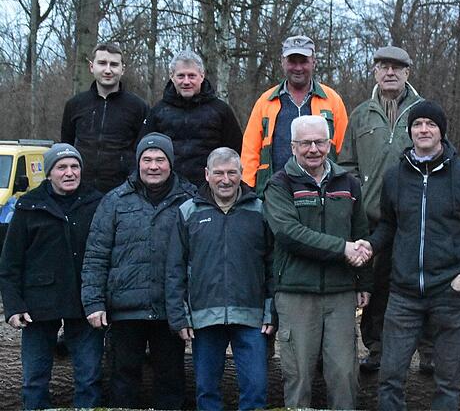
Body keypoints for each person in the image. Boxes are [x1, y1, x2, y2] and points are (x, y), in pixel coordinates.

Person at [361, 101, 460, 410]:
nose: (423, 130)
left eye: (430, 125)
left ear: (441, 132)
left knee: (447, 383)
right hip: (403, 295)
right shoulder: (395, 176)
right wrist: (369, 246)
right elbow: (389, 226)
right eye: (417, 124)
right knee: (390, 377)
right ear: (410, 131)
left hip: (450, 293)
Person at [81, 132, 196, 409]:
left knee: (171, 380)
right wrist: (93, 302)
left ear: (171, 163)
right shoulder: (115, 200)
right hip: (124, 310)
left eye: (160, 159)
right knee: (122, 379)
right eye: (147, 159)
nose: (153, 166)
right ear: (138, 162)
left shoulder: (190, 199)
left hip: (170, 310)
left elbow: (198, 258)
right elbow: (96, 254)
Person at [338, 45, 434, 374]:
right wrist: (358, 196)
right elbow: (346, 163)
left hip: (415, 217)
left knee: (419, 283)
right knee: (375, 285)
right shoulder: (361, 114)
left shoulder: (424, 112)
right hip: (373, 220)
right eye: (383, 67)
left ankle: (428, 350)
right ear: (375, 72)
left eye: (397, 67)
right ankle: (376, 348)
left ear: (408, 72)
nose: (390, 72)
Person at [263, 115, 371, 409]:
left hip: (340, 293)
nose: (313, 149)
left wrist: (364, 280)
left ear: (330, 143)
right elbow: (289, 234)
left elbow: (360, 233)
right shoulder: (279, 184)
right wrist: (342, 248)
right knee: (298, 377)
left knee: (344, 375)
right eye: (305, 143)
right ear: (292, 146)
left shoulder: (348, 183)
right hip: (296, 292)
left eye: (319, 142)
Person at [166, 147, 275, 411]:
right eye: (218, 173)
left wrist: (271, 312)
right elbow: (175, 268)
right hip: (204, 316)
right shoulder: (188, 212)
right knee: (206, 392)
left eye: (231, 173)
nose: (225, 179)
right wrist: (179, 315)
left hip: (252, 316)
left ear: (241, 174)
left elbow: (273, 265)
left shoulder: (260, 211)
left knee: (256, 391)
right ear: (207, 174)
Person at [0, 144, 103, 409]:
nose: (69, 173)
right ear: (49, 173)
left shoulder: (97, 203)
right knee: (34, 380)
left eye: (74, 166)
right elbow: (10, 263)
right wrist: (13, 306)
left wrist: (102, 299)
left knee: (89, 379)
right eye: (61, 167)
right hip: (38, 306)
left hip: (84, 304)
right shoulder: (28, 205)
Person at [242, 35, 348, 196]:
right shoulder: (265, 101)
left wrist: (342, 188)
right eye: (292, 61)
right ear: (282, 62)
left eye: (303, 61)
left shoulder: (332, 100)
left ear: (314, 62)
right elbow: (250, 152)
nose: (298, 68)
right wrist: (246, 190)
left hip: (322, 193)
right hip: (274, 192)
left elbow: (344, 151)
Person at [142, 50, 242, 187]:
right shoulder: (158, 111)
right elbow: (144, 152)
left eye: (192, 76)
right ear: (172, 76)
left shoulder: (221, 110)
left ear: (202, 76)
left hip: (211, 189)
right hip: (168, 189)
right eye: (181, 76)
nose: (186, 81)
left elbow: (236, 151)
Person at [61, 43, 149, 193]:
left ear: (123, 69)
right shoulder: (75, 105)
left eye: (114, 64)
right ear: (91, 66)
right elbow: (66, 148)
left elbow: (143, 152)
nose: (108, 70)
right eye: (102, 63)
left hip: (124, 192)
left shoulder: (138, 107)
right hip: (80, 191)